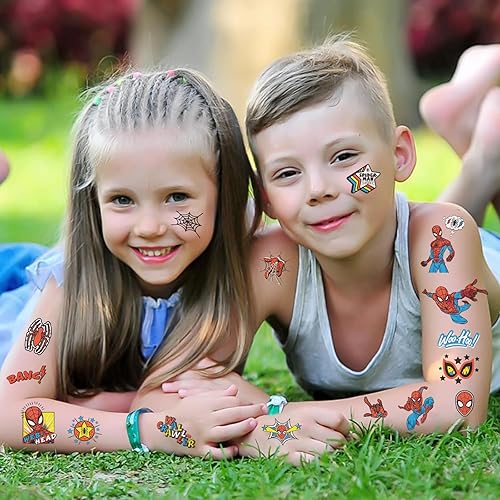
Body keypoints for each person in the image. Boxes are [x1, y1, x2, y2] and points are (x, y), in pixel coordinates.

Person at [158, 37, 500, 461]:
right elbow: (173, 381)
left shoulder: (442, 236)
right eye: (287, 173)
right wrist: (256, 420)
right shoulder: (273, 263)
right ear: (265, 198)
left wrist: (286, 415)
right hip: (412, 241)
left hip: (461, 256)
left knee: (445, 229)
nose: (318, 189)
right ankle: (485, 148)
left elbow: (459, 405)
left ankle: (485, 155)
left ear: (399, 155)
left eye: (343, 156)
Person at [0, 68, 273, 456]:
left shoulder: (247, 256)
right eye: (122, 200)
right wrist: (150, 427)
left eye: (177, 197)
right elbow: (10, 416)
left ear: (224, 194)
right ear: (93, 202)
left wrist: (98, 403)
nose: (149, 227)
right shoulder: (67, 284)